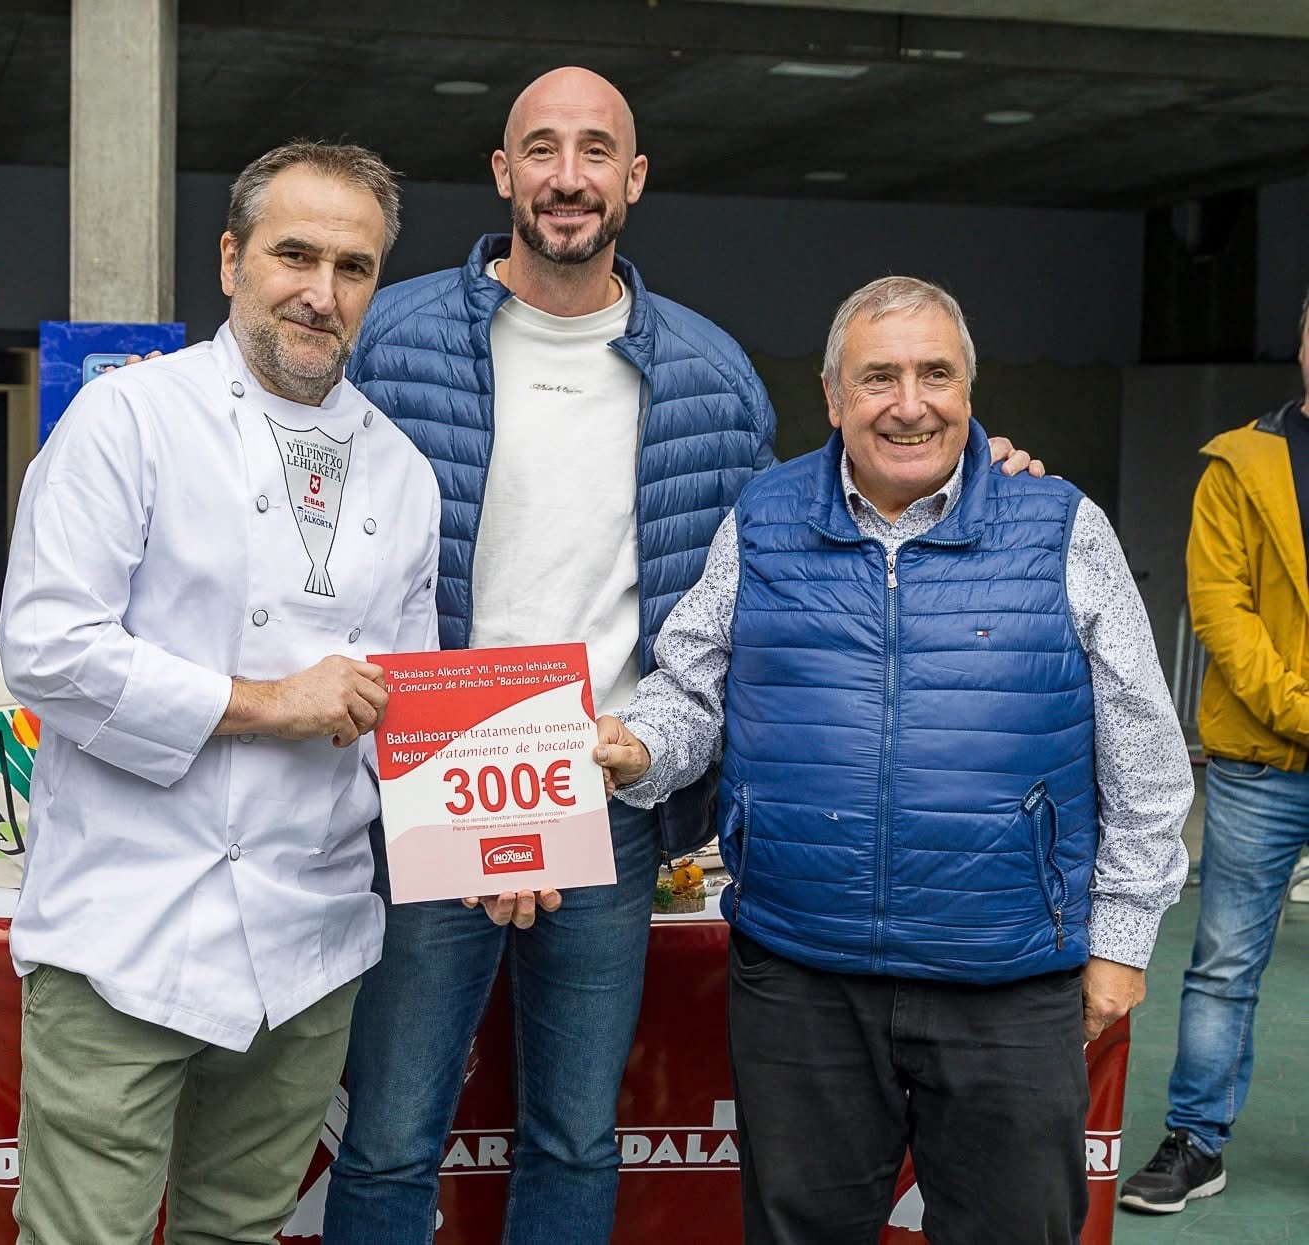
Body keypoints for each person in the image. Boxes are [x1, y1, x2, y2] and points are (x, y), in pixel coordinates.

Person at [321, 69, 1036, 1244]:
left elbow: (804, 526)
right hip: (429, 785)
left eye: (596, 150)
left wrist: (979, 471)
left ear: (634, 179)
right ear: (502, 175)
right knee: (392, 1132)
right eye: (540, 150)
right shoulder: (389, 337)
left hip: (607, 792)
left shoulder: (712, 374)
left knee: (574, 1132)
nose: (568, 176)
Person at [595, 275, 1193, 1244]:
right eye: (878, 378)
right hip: (801, 978)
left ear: (969, 389)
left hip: (1006, 979)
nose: (909, 403)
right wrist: (641, 746)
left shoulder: (1061, 527)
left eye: (935, 374)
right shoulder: (765, 518)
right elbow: (692, 686)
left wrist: (1122, 941)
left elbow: (1146, 756)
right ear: (832, 398)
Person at [0, 141, 441, 1245]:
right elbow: (47, 648)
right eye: (294, 254)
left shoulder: (401, 470)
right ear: (232, 259)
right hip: (126, 932)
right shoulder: (128, 422)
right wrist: (269, 702)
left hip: (309, 938)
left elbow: (404, 710)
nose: (321, 292)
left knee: (240, 1231)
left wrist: (504, 827)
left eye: (354, 267)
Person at [1120, 286, 1309, 1215]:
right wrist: (1304, 712)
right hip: (1260, 761)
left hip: (1274, 742)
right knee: (1227, 957)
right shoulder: (1239, 466)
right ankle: (1197, 1141)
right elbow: (1223, 616)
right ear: (1306, 342)